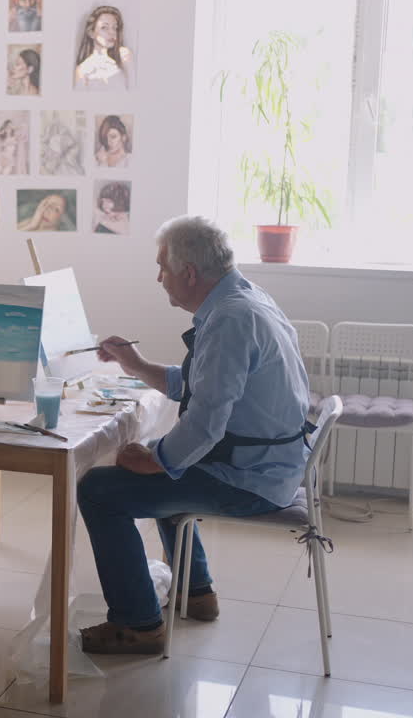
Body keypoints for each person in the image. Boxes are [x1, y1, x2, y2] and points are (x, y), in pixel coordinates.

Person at [76, 216, 312, 654]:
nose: (158, 277)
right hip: (270, 466)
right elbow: (207, 386)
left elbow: (205, 424)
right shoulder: (244, 299)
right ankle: (195, 590)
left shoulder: (230, 320)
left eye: (162, 267)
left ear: (189, 273)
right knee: (160, 460)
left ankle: (138, 623)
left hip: (251, 480)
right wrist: (138, 366)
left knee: (98, 490)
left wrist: (154, 460)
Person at [74, 6, 135, 89]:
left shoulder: (123, 58)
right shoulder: (83, 70)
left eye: (114, 28)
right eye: (104, 28)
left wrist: (129, 65)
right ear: (91, 33)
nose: (112, 32)